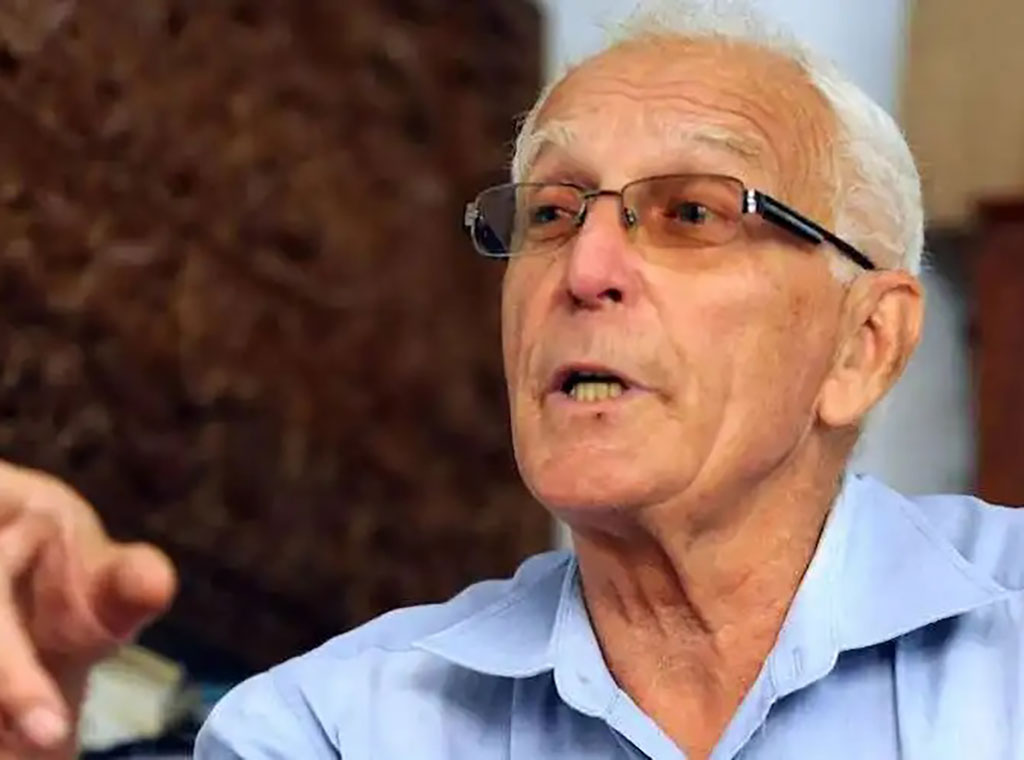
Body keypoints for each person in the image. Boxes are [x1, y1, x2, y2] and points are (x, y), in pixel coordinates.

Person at [1, 3, 1022, 759]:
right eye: (550, 214)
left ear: (862, 346)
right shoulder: (333, 727)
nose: (584, 269)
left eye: (692, 213)